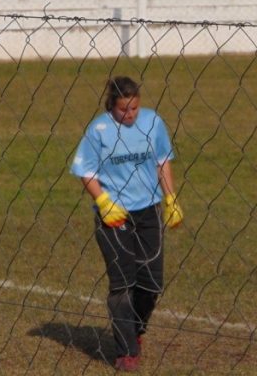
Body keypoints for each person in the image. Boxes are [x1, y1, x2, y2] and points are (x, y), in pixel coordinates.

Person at [70, 76, 183, 372]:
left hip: (149, 211)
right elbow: (85, 170)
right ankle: (126, 351)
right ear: (113, 106)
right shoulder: (99, 130)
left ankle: (135, 329)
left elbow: (162, 161)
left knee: (151, 284)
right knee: (122, 282)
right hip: (115, 214)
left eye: (134, 108)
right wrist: (104, 202)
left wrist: (170, 199)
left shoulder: (153, 123)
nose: (130, 115)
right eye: (124, 110)